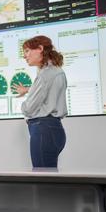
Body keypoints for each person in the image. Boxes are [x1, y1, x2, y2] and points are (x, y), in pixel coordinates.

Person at [11, 35, 67, 168]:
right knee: (49, 177)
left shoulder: (45, 75)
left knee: (43, 179)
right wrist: (30, 90)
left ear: (40, 49)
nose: (25, 56)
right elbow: (48, 92)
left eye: (27, 51)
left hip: (43, 129)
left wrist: (24, 104)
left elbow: (28, 109)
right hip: (54, 130)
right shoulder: (56, 71)